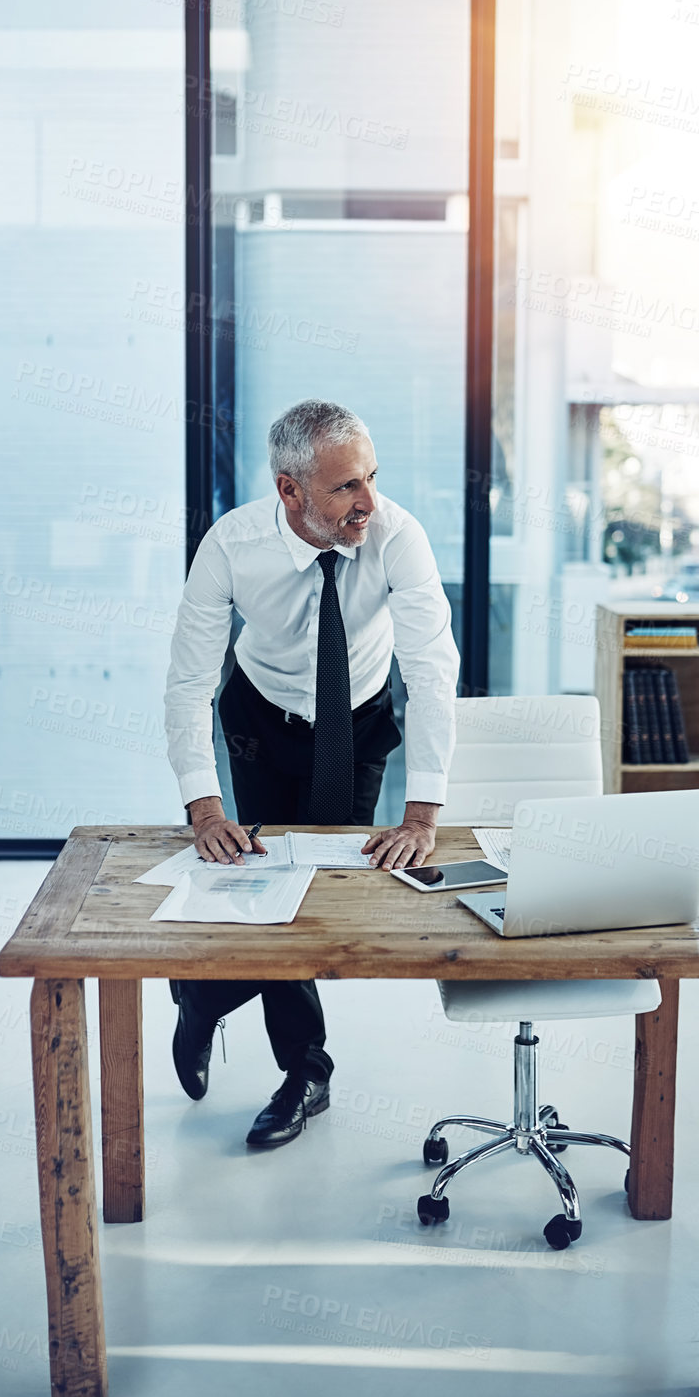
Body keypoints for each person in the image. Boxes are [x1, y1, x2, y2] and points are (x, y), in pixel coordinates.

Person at [163, 398, 459, 1148]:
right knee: (265, 890)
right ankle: (306, 1072)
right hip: (260, 718)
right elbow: (189, 681)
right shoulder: (231, 545)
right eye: (343, 488)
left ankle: (202, 995)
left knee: (325, 896)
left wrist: (422, 813)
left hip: (355, 722)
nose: (366, 502)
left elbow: (431, 673)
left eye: (370, 478)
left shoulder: (396, 535)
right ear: (289, 489)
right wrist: (203, 807)